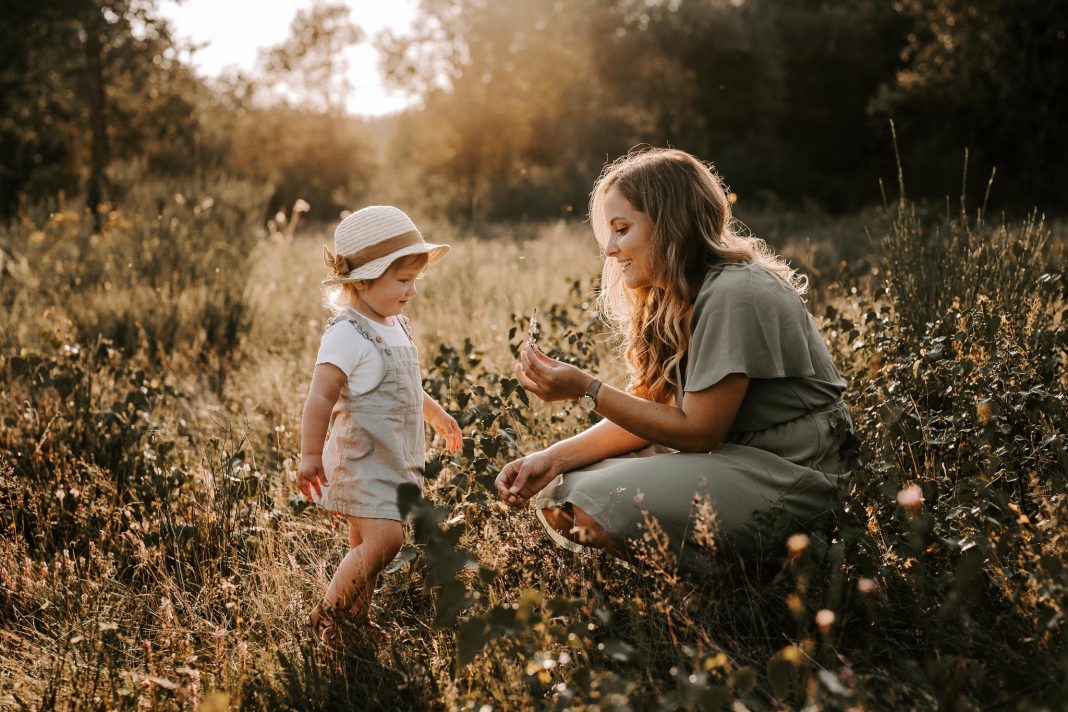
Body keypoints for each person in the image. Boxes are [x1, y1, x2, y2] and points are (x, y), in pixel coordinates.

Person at [494, 147, 857, 568]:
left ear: (670, 224)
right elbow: (651, 409)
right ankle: (723, 574)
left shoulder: (734, 293)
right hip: (733, 459)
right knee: (561, 490)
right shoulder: (672, 297)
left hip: (792, 471)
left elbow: (698, 432)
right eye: (607, 233)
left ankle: (740, 586)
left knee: (591, 503)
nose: (610, 249)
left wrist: (586, 389)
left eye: (622, 228)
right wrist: (550, 457)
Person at [297, 205, 463, 642]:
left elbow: (406, 385)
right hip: (361, 460)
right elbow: (319, 398)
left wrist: (436, 414)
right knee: (385, 542)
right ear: (362, 280)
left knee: (365, 549)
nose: (411, 291)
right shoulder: (347, 333)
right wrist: (310, 454)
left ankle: (355, 621)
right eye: (403, 281)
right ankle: (327, 616)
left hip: (392, 460)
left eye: (415, 281)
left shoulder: (395, 324)